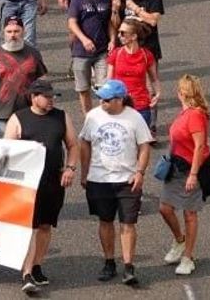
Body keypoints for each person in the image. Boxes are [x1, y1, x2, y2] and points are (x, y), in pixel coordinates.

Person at [78, 78, 152, 287]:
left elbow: (145, 146)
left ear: (120, 100)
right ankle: (109, 261)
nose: (102, 103)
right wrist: (84, 173)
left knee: (128, 223)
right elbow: (85, 142)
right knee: (105, 221)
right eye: (100, 99)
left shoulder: (135, 118)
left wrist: (140, 172)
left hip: (127, 180)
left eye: (106, 100)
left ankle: (128, 266)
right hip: (99, 179)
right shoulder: (93, 116)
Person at [5, 78, 76, 294]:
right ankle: (26, 273)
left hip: (53, 181)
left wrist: (70, 168)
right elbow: (7, 150)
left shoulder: (61, 117)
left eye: (52, 96)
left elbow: (73, 145)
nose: (51, 100)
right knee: (31, 227)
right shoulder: (18, 118)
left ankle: (36, 265)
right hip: (28, 183)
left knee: (45, 225)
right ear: (34, 97)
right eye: (46, 96)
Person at [158, 74, 210, 277]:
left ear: (181, 93)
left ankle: (188, 257)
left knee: (190, 213)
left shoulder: (194, 115)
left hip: (193, 169)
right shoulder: (184, 114)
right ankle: (180, 241)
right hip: (176, 168)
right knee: (165, 208)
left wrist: (193, 175)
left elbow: (199, 146)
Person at [0, 15, 46, 137]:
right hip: (1, 116)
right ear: (3, 33)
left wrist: (43, 109)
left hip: (29, 114)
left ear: (24, 32)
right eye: (9, 31)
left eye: (16, 31)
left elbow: (43, 83)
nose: (12, 35)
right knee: (2, 154)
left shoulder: (33, 53)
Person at [67, 0, 116, 113]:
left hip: (101, 50)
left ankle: (103, 116)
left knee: (104, 88)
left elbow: (110, 23)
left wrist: (112, 40)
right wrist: (84, 39)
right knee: (83, 89)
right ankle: (88, 117)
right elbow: (72, 22)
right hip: (81, 51)